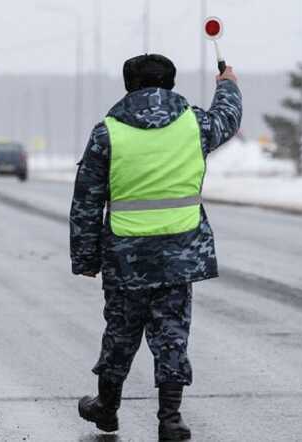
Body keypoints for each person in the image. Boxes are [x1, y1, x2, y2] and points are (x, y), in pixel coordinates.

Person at [70, 54, 242, 441]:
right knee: (172, 335)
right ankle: (170, 418)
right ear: (171, 83)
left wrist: (86, 258)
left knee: (120, 334)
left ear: (128, 85)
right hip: (178, 256)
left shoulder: (107, 133)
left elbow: (86, 201)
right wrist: (227, 82)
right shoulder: (194, 124)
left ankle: (107, 409)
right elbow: (227, 117)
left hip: (126, 258)